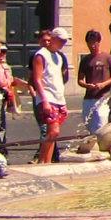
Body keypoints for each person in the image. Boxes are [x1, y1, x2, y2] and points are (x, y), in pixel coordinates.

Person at [30, 27, 71, 163]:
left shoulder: (59, 57)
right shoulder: (41, 55)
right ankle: (43, 161)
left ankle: (46, 162)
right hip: (47, 97)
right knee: (54, 131)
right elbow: (37, 79)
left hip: (58, 98)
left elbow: (58, 80)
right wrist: (44, 100)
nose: (63, 44)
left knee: (53, 134)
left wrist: (63, 102)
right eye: (60, 41)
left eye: (64, 41)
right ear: (52, 39)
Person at [77, 30, 111, 136]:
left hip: (103, 97)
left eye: (94, 42)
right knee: (88, 125)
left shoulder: (107, 57)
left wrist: (104, 84)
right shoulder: (85, 60)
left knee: (101, 123)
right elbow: (80, 80)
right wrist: (86, 85)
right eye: (90, 43)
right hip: (89, 97)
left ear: (99, 42)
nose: (92, 45)